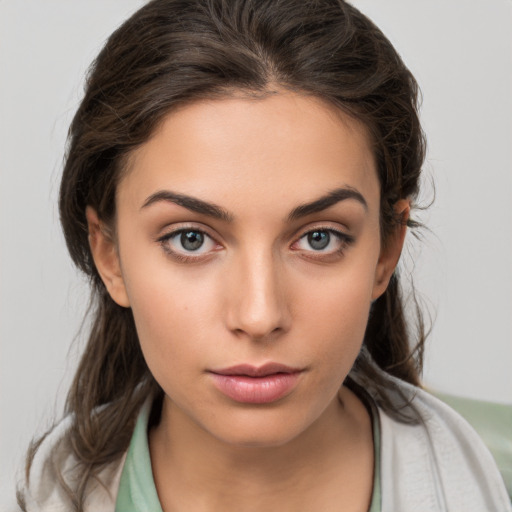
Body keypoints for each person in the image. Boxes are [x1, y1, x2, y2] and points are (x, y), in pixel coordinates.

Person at [15, 0, 510, 511]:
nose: (259, 315)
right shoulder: (42, 495)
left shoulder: (500, 476)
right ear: (109, 254)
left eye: (320, 237)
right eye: (191, 239)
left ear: (387, 249)